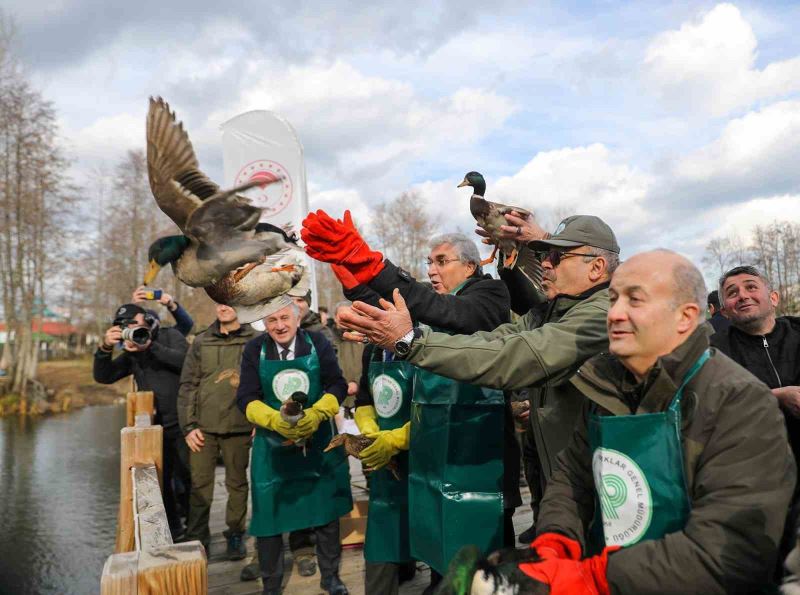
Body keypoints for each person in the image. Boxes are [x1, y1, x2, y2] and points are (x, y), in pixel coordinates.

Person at [514, 250, 795, 594]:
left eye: (635, 300)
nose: (614, 314)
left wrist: (596, 577)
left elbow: (730, 547)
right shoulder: (603, 389)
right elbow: (573, 479)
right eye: (613, 299)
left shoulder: (739, 400)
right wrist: (556, 542)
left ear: (685, 317)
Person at [334, 215, 618, 546]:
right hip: (567, 481)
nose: (545, 266)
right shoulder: (550, 311)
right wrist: (366, 289)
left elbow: (515, 356)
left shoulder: (603, 311)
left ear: (596, 268)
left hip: (605, 485)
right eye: (542, 256)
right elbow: (492, 342)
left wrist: (410, 341)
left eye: (555, 257)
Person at [302, 211, 511, 594]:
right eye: (428, 262)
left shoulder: (489, 294)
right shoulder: (437, 303)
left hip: (481, 461)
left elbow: (445, 313)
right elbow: (404, 306)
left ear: (469, 265)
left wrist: (376, 266)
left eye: (441, 261)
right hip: (433, 451)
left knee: (480, 562)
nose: (431, 269)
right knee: (438, 546)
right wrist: (357, 280)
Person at [236, 298, 351, 595]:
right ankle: (271, 585)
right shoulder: (254, 350)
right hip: (272, 446)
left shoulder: (317, 344)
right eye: (272, 320)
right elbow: (246, 398)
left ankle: (331, 578)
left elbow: (337, 385)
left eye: (285, 318)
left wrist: (317, 413)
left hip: (318, 443)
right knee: (269, 518)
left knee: (325, 512)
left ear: (298, 318)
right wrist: (274, 420)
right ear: (265, 323)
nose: (279, 326)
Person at [711, 265, 800, 574]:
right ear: (724, 310)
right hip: (756, 484)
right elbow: (713, 405)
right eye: (732, 293)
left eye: (751, 287)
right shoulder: (714, 354)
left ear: (773, 297)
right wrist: (778, 396)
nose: (743, 296)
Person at [93, 302, 191, 538]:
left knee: (190, 478)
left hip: (185, 423)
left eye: (133, 322)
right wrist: (105, 348)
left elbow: (185, 362)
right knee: (163, 482)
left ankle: (197, 528)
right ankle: (175, 529)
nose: (130, 328)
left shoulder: (170, 335)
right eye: (123, 325)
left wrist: (150, 346)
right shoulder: (132, 354)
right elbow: (104, 376)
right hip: (156, 428)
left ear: (146, 319)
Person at [178, 303, 257, 558]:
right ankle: (197, 539)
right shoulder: (202, 341)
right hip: (203, 429)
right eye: (219, 303)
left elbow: (262, 381)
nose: (223, 308)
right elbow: (188, 385)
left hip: (240, 425)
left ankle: (235, 535)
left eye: (229, 303)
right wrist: (189, 426)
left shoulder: (255, 340)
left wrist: (258, 419)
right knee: (200, 485)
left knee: (237, 484)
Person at [332, 300, 365, 408]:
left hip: (361, 403)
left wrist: (357, 383)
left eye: (350, 316)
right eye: (342, 316)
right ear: (335, 318)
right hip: (335, 404)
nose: (345, 319)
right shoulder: (327, 339)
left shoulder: (365, 340)